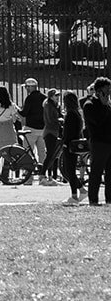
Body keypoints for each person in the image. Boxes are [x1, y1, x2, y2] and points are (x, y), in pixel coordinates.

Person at [82, 77, 111, 207]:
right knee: (96, 172)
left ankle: (109, 199)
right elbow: (97, 122)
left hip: (109, 141)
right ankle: (93, 199)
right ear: (99, 91)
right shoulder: (90, 105)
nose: (109, 92)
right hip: (99, 142)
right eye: (106, 90)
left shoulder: (108, 104)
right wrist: (104, 106)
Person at [0, 86, 21, 181]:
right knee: (9, 152)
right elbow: (15, 119)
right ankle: (5, 175)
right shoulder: (11, 105)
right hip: (8, 129)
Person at [60, 90, 85, 207]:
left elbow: (69, 131)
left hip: (69, 144)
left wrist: (65, 142)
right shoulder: (76, 113)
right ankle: (80, 190)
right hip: (74, 144)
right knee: (68, 169)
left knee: (68, 169)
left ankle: (75, 195)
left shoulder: (70, 114)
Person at [21, 78, 48, 181]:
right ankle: (43, 176)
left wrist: (16, 109)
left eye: (27, 87)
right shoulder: (44, 97)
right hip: (42, 129)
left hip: (31, 129)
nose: (26, 89)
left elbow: (24, 113)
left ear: (30, 87)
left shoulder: (29, 98)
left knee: (28, 153)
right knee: (42, 153)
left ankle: (28, 178)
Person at [43, 89, 62, 184]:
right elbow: (50, 119)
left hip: (54, 131)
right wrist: (59, 120)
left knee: (54, 154)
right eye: (56, 95)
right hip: (50, 132)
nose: (58, 97)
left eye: (58, 95)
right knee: (50, 154)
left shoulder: (55, 105)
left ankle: (52, 176)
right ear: (51, 96)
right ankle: (42, 174)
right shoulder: (48, 105)